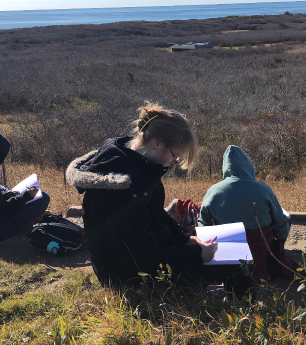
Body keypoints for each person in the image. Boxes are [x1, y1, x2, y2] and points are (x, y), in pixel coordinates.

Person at [67, 102, 219, 287]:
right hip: (127, 278)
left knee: (221, 266)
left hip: (144, 260)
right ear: (156, 144)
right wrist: (196, 256)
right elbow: (142, 259)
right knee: (223, 270)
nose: (174, 162)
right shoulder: (120, 187)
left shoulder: (139, 166)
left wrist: (184, 238)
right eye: (175, 156)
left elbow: (154, 214)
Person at [197, 145, 298, 282]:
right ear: (249, 166)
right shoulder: (264, 189)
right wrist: (280, 244)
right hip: (262, 254)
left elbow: (203, 226)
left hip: (228, 260)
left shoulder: (213, 191)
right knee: (286, 219)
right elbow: (280, 224)